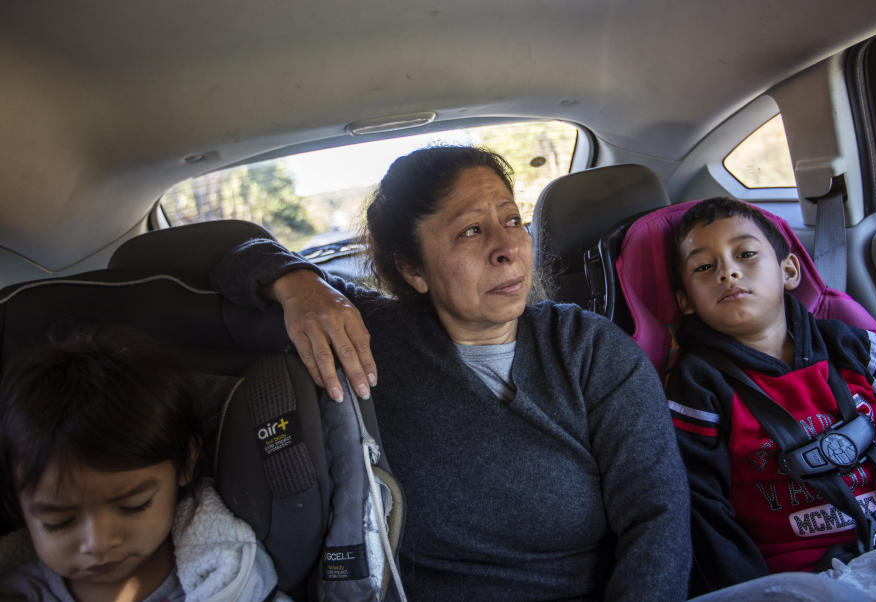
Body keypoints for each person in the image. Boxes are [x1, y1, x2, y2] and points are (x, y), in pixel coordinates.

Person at [210, 145, 691, 600]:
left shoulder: (588, 347)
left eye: (512, 220)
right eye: (470, 231)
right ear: (413, 270)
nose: (508, 247)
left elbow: (658, 519)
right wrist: (297, 284)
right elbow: (231, 257)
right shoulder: (369, 335)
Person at [664, 196, 876, 597]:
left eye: (746, 254)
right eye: (704, 267)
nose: (728, 272)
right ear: (686, 302)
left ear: (788, 271)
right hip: (801, 579)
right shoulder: (699, 385)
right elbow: (700, 505)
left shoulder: (849, 348)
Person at [0, 326, 287, 602]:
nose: (99, 543)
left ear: (186, 462)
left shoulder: (229, 581)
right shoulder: (18, 591)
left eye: (133, 505)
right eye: (58, 522)